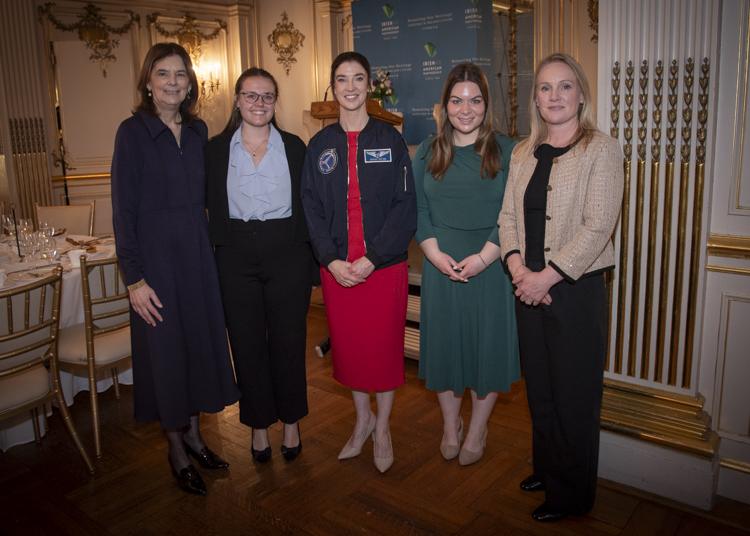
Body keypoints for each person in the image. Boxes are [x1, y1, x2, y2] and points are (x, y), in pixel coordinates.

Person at [498, 52, 623, 522]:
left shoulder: (601, 149)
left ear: (581, 95)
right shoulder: (522, 152)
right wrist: (517, 269)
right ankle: (549, 469)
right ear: (536, 98)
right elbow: (507, 217)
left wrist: (545, 277)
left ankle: (572, 495)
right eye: (545, 88)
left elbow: (598, 227)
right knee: (541, 389)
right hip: (526, 286)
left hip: (573, 289)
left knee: (574, 394)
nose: (555, 96)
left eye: (565, 86)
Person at [111, 43, 240, 496]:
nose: (172, 82)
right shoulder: (132, 133)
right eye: (162, 73)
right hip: (156, 267)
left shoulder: (199, 131)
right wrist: (134, 279)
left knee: (197, 350)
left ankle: (196, 437)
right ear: (148, 82)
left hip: (197, 260)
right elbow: (123, 211)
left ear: (190, 84)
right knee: (166, 358)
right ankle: (176, 450)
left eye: (180, 74)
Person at [301, 51, 416, 473]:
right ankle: (362, 420)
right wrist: (330, 260)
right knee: (349, 351)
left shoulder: (390, 141)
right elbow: (310, 209)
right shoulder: (319, 146)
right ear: (332, 88)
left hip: (382, 269)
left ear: (369, 86)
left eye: (358, 78)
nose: (350, 87)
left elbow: (406, 208)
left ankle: (383, 428)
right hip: (337, 270)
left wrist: (373, 258)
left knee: (383, 351)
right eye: (342, 79)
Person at [205, 67, 315, 463]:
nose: (259, 103)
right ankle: (257, 426)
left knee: (289, 341)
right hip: (234, 254)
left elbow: (311, 205)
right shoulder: (215, 150)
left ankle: (291, 422)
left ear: (275, 102)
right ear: (237, 100)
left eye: (267, 96)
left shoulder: (295, 147)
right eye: (251, 95)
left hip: (287, 252)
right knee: (246, 343)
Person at [413, 62, 519, 466]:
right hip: (441, 264)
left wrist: (484, 257)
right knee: (445, 348)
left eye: (475, 100)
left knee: (486, 349)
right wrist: (435, 255)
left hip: (491, 265)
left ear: (486, 105)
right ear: (445, 106)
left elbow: (513, 212)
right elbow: (418, 209)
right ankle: (450, 425)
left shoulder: (508, 150)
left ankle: (477, 429)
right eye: (457, 101)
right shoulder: (427, 150)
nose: (465, 109)